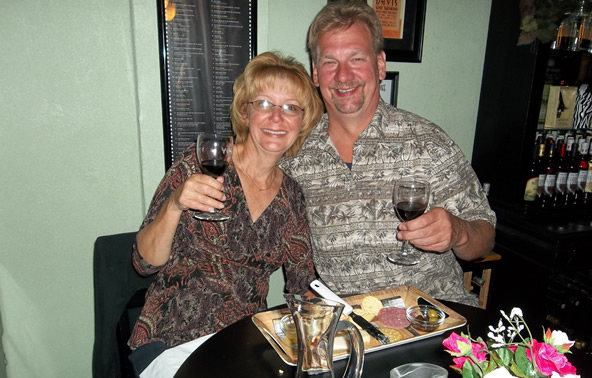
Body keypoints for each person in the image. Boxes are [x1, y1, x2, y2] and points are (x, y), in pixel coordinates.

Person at [203, 2, 496, 306]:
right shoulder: (293, 151)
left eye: (356, 58)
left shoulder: (428, 143)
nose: (343, 76)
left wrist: (458, 233)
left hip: (432, 316)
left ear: (380, 64)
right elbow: (247, 173)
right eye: (330, 62)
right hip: (349, 329)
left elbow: (484, 237)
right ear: (316, 74)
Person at [127, 51, 323, 377]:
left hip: (245, 343)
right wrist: (175, 204)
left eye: (290, 107)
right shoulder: (200, 163)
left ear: (302, 121)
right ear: (245, 112)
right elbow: (143, 263)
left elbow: (302, 286)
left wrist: (337, 319)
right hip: (171, 339)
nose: (277, 117)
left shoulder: (292, 197)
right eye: (263, 103)